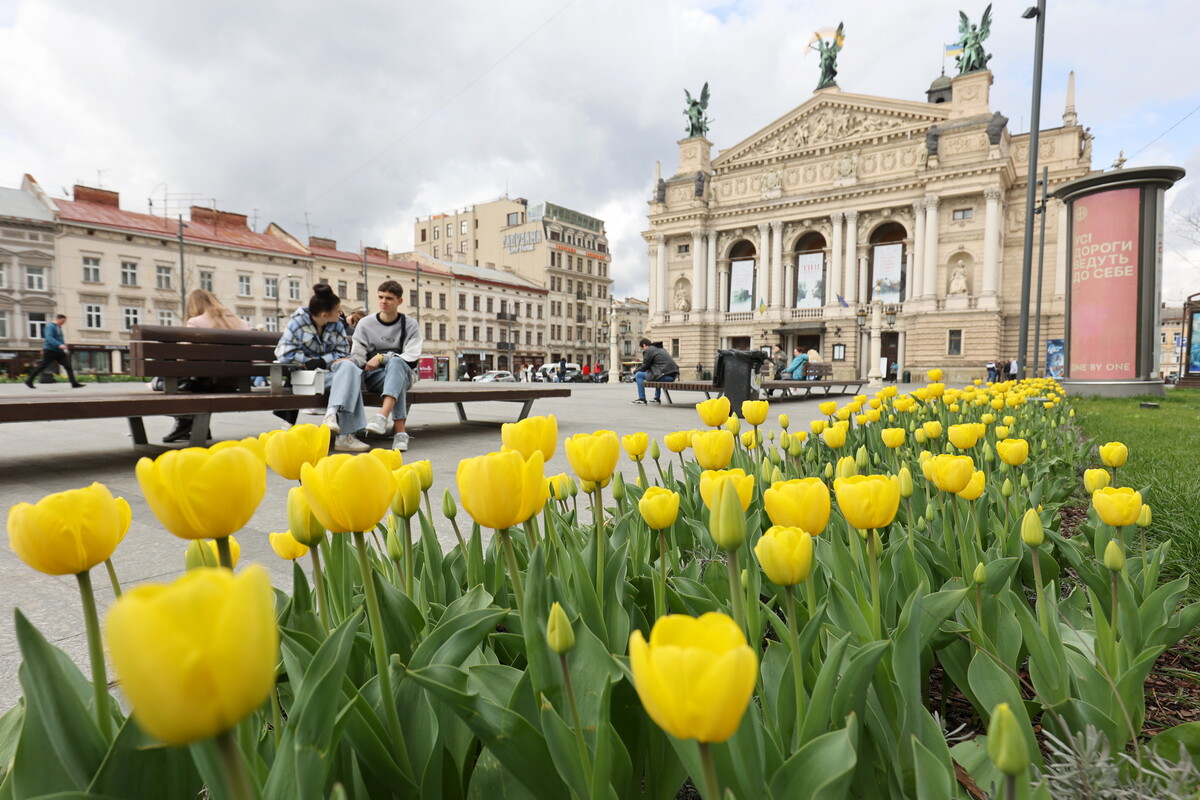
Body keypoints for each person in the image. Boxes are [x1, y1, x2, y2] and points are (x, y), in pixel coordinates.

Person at [337, 280, 423, 452]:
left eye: (389, 298)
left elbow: (411, 358)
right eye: (381, 297)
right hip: (374, 376)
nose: (383, 301)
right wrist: (351, 362)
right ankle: (400, 434)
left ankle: (382, 416)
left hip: (405, 373)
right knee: (396, 380)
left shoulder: (410, 324)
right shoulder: (366, 324)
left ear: (399, 301)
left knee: (397, 363)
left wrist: (382, 357)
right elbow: (359, 355)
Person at [275, 284, 360, 451]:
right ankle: (345, 437)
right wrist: (307, 362)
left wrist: (321, 361)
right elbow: (283, 352)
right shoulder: (298, 322)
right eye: (338, 311)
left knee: (349, 369)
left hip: (328, 375)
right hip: (303, 376)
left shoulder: (336, 324)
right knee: (350, 378)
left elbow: (343, 352)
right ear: (324, 315)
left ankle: (331, 416)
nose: (340, 314)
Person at [160, 290, 252, 443]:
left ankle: (185, 422)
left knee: (168, 383)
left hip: (205, 384)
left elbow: (183, 359)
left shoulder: (196, 322)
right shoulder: (242, 323)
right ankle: (197, 426)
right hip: (234, 384)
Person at [24, 314, 84, 389]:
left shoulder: (58, 327)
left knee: (68, 366)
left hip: (59, 351)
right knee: (43, 366)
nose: (63, 323)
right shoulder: (50, 326)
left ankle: (74, 383)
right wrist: (59, 345)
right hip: (51, 350)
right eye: (63, 321)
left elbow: (58, 338)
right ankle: (29, 381)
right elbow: (49, 338)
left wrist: (63, 345)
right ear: (58, 319)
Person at [631, 337, 679, 405]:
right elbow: (654, 367)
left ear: (644, 345)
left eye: (642, 348)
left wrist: (635, 371)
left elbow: (644, 366)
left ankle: (642, 399)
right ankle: (657, 398)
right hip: (672, 376)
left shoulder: (648, 350)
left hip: (665, 376)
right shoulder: (661, 349)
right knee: (656, 374)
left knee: (639, 375)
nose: (643, 350)